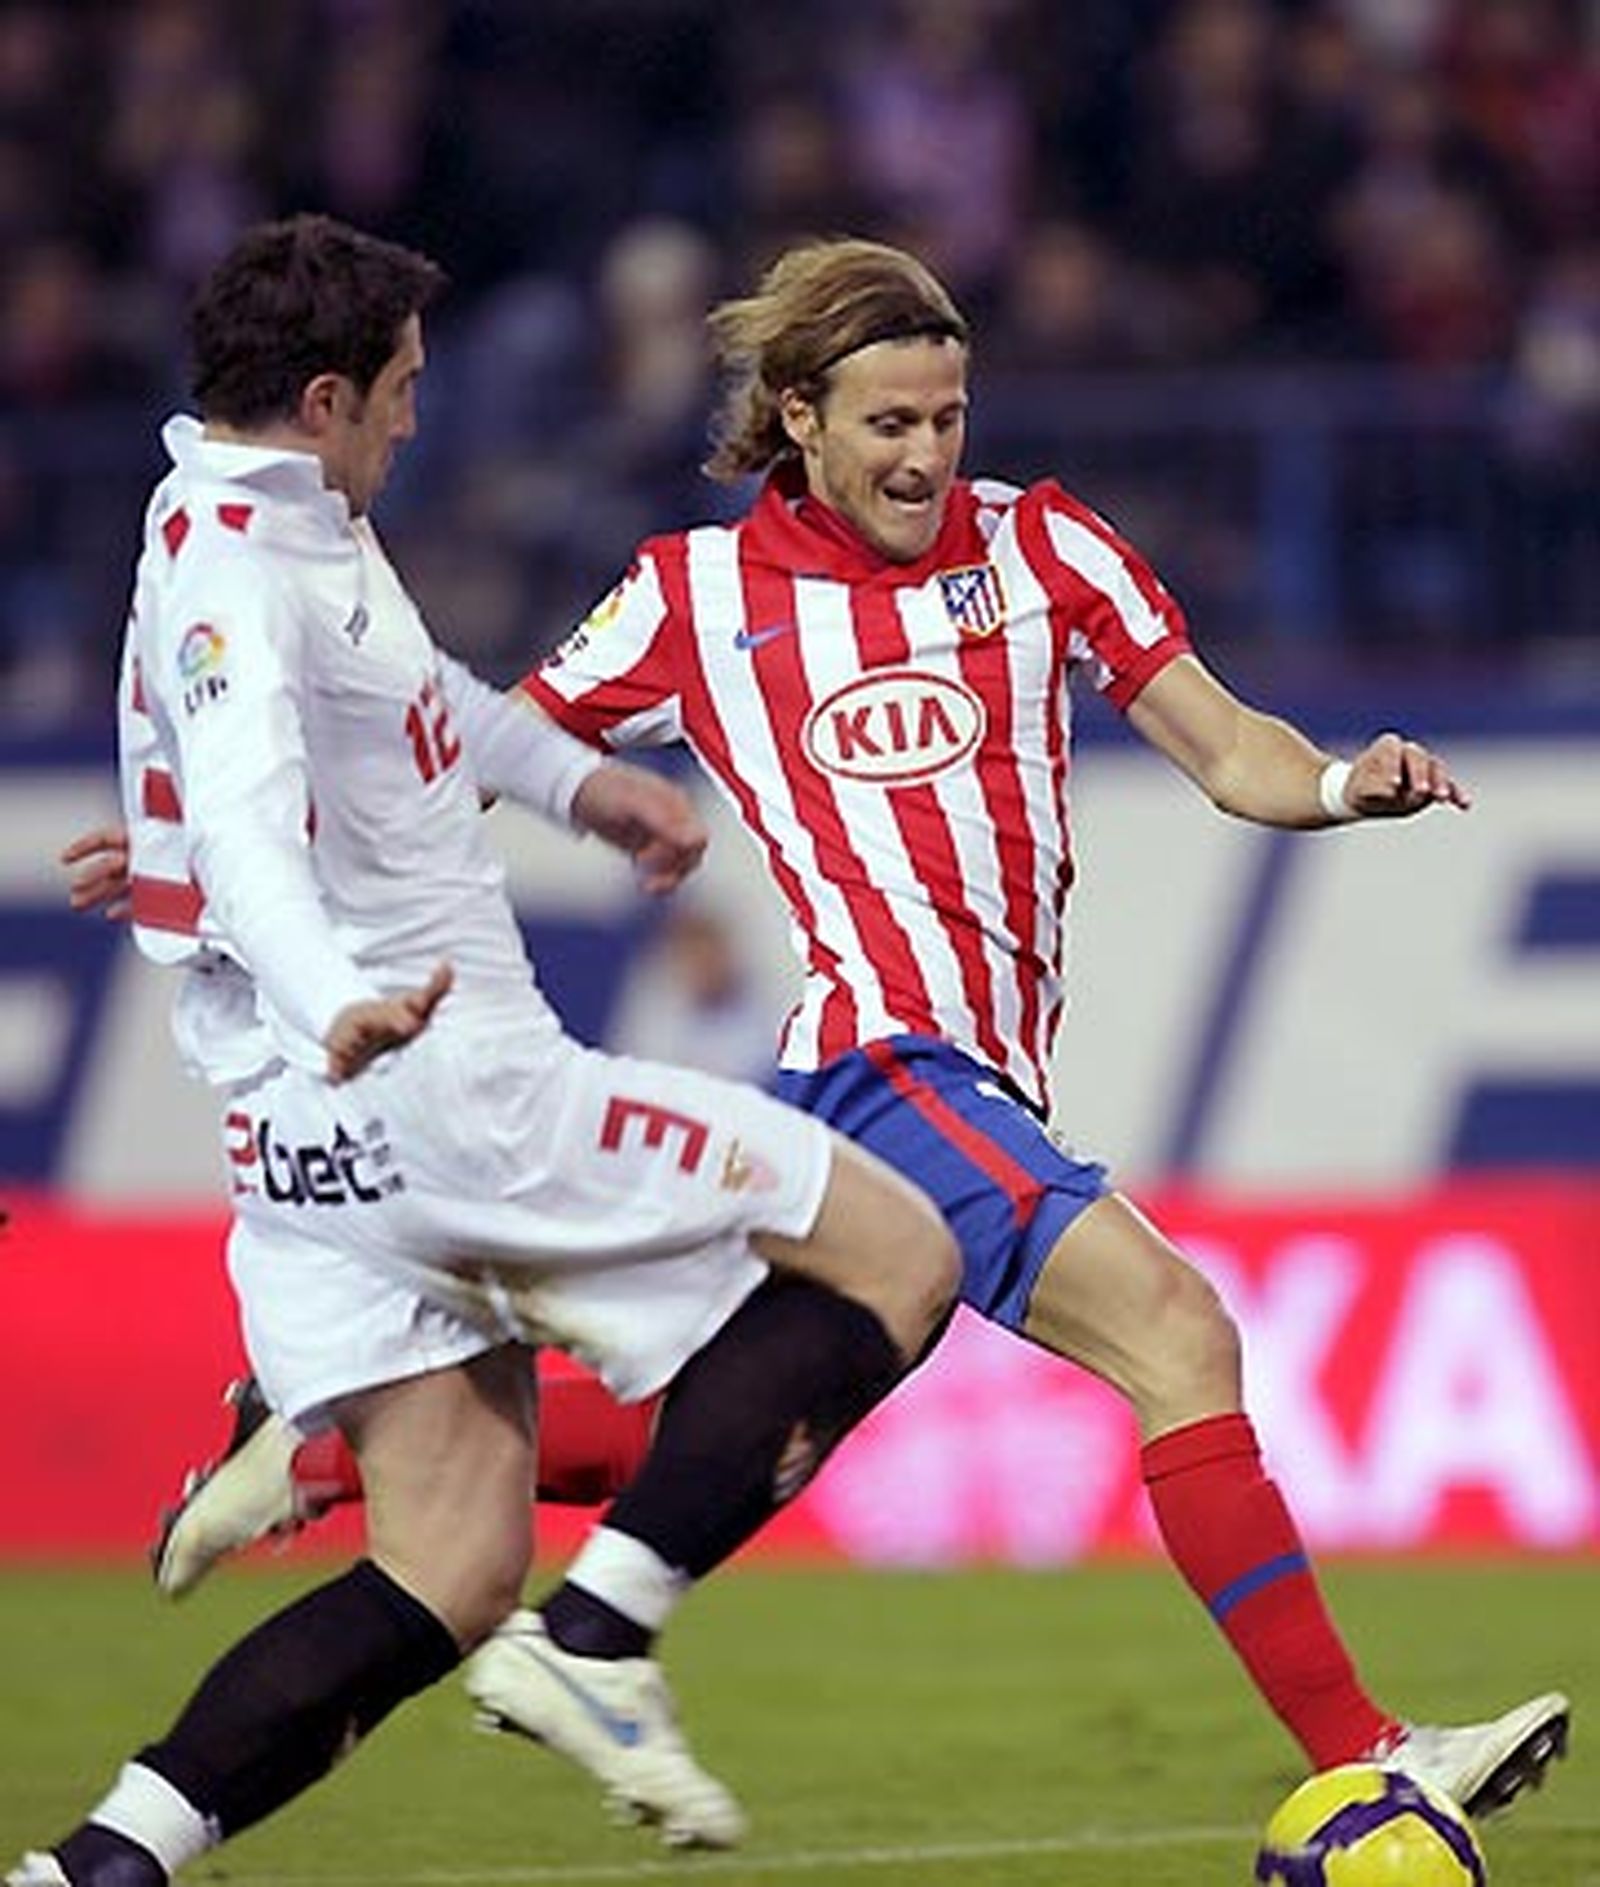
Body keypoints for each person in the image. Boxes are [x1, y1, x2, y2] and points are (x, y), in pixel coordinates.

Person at [66, 235, 1569, 1840]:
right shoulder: (693, 595)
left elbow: (1231, 752)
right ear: (798, 417)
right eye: (889, 426)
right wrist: (198, 843)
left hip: (971, 1073)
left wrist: (1345, 782)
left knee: (717, 1427)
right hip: (884, 1058)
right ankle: (1369, 1752)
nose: (928, 455)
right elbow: (444, 753)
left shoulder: (1050, 548)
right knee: (1178, 1334)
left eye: (948, 418)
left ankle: (322, 1452)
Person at [8, 216, 958, 1887]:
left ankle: (99, 1866)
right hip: (444, 1087)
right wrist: (334, 994)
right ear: (322, 396)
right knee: (894, 1256)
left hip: (307, 1156)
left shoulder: (234, 515)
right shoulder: (245, 563)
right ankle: (604, 1639)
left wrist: (578, 782)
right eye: (401, 392)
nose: (416, 421)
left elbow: (393, 703)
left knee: (445, 1571)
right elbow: (241, 822)